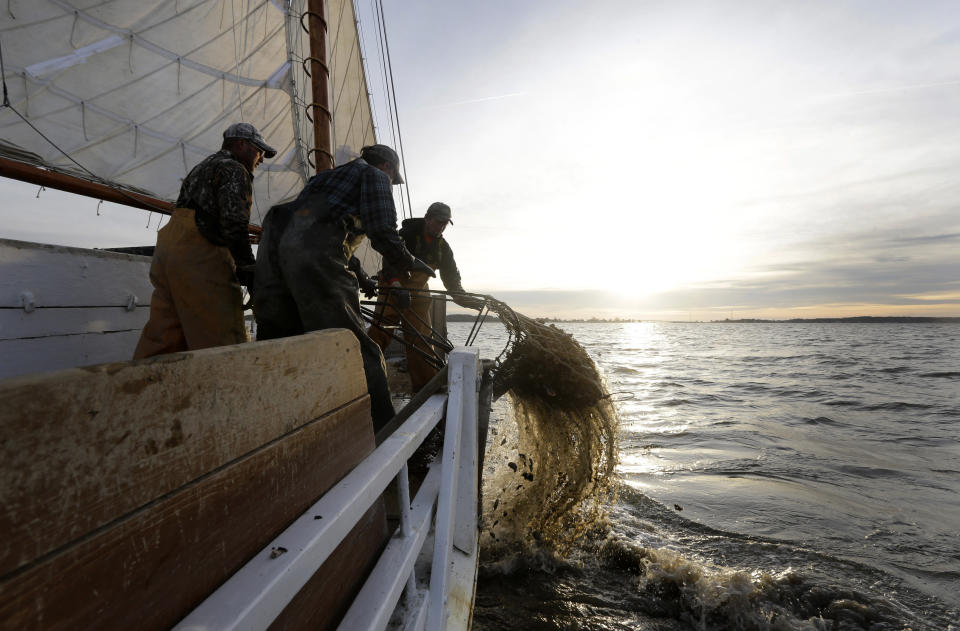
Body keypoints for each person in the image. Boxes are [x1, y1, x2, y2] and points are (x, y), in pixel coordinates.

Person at [252, 144, 432, 431]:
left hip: (273, 252)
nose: (391, 183)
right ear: (386, 165)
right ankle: (382, 437)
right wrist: (410, 260)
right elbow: (381, 230)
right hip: (313, 254)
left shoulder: (322, 179)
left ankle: (274, 428)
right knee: (355, 348)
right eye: (392, 177)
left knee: (281, 345)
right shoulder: (374, 175)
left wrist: (359, 273)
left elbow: (316, 229)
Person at [133, 123, 275, 359]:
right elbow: (233, 221)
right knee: (224, 343)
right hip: (198, 258)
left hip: (169, 252)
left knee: (164, 338)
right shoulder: (234, 169)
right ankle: (231, 391)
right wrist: (249, 270)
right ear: (242, 144)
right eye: (259, 151)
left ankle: (141, 387)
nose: (261, 159)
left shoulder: (202, 167)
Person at [367, 202, 482, 392]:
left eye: (445, 223)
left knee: (421, 339)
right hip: (392, 286)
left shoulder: (443, 248)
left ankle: (424, 389)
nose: (442, 226)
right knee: (380, 333)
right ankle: (366, 379)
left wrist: (464, 299)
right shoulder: (406, 235)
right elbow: (389, 260)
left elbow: (452, 278)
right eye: (439, 222)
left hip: (419, 291)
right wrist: (396, 285)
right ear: (427, 218)